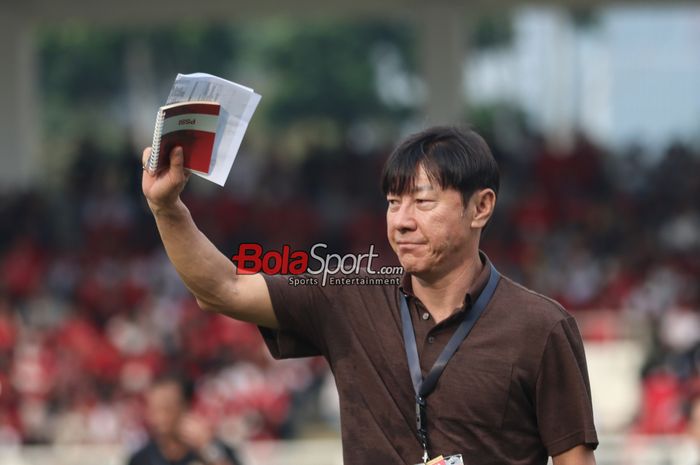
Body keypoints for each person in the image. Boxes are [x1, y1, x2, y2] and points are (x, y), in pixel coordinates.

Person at [141, 126, 598, 465]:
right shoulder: (348, 295)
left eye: (422, 202)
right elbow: (224, 288)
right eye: (392, 202)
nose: (401, 221)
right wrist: (167, 208)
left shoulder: (540, 327)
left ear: (481, 207)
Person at [127, 375, 243, 465]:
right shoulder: (142, 458)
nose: (158, 417)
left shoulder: (214, 449)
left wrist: (207, 448)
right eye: (153, 409)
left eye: (166, 408)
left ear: (185, 407)